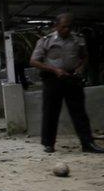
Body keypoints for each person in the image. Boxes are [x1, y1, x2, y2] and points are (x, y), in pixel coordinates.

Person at [30, 13, 103, 154]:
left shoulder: (78, 39)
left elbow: (84, 56)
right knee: (51, 112)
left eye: (69, 27)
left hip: (72, 78)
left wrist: (80, 68)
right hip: (52, 79)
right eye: (63, 27)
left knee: (79, 112)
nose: (66, 30)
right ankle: (48, 144)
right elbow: (34, 61)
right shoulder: (46, 41)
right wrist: (54, 69)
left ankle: (87, 143)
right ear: (57, 26)